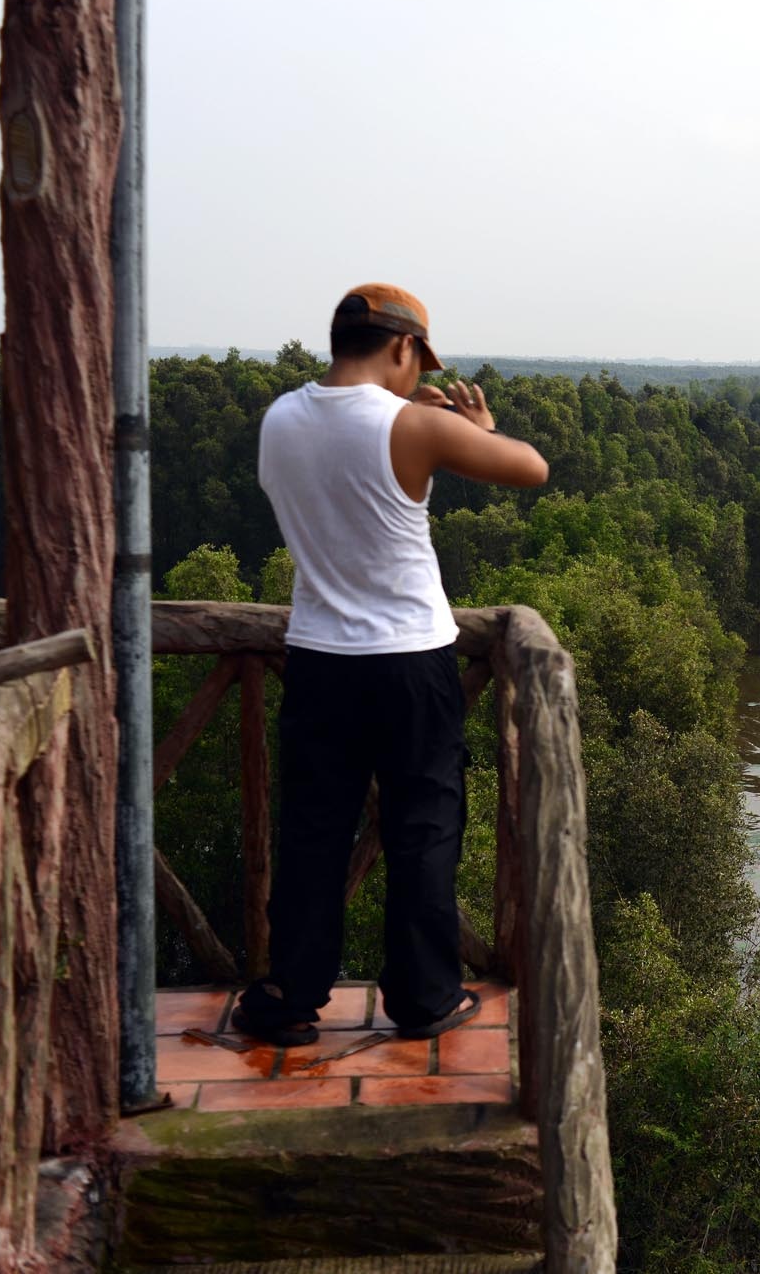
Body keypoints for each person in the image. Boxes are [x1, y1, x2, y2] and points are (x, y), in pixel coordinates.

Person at [233, 284, 548, 1047]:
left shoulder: (279, 419)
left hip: (317, 658)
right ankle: (423, 997)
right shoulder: (411, 426)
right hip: (410, 659)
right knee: (424, 828)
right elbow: (530, 469)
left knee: (314, 830)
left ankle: (291, 994)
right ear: (404, 348)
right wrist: (474, 426)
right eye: (418, 360)